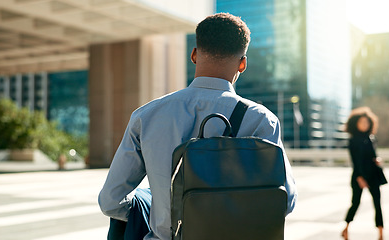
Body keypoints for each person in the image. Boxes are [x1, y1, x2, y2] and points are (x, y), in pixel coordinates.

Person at [98, 13, 297, 240]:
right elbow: (285, 202)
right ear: (242, 63)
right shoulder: (262, 120)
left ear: (193, 54)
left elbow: (111, 202)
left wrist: (161, 212)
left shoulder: (146, 115)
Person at [342, 107, 387, 240]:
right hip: (358, 175)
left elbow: (373, 156)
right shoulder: (353, 140)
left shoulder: (372, 138)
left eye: (367, 122)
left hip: (373, 175)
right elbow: (355, 161)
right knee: (355, 203)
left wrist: (378, 161)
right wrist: (360, 177)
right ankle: (346, 228)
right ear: (355, 123)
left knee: (377, 203)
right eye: (362, 122)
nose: (364, 125)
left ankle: (381, 233)